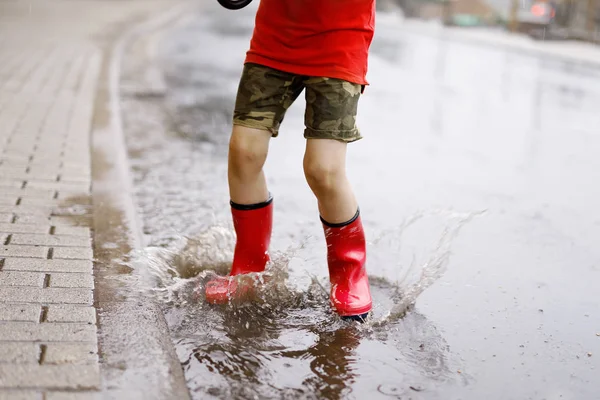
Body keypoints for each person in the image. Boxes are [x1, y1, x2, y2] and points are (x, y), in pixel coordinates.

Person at [205, 0, 375, 321]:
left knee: (323, 170)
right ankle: (249, 271)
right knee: (244, 152)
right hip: (275, 39)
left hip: (340, 43)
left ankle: (349, 273)